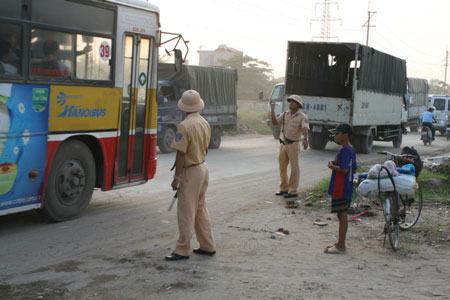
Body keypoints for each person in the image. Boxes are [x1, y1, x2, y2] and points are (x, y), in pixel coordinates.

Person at [165, 90, 216, 261]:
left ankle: (182, 249)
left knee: (186, 211)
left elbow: (180, 154)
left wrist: (177, 178)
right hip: (203, 167)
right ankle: (207, 245)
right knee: (200, 208)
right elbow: (206, 148)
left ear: (183, 107)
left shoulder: (184, 126)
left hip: (191, 171)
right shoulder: (204, 123)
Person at [325, 123, 357, 254]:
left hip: (342, 187)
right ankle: (340, 242)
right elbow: (352, 167)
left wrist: (332, 166)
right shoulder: (348, 149)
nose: (335, 136)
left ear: (345, 135)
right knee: (340, 213)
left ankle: (341, 245)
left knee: (342, 214)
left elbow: (344, 169)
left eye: (338, 134)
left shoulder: (346, 150)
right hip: (343, 186)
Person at [270, 95, 309, 199]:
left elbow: (305, 128)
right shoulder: (284, 114)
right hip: (283, 143)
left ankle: (292, 190)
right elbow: (275, 122)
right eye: (290, 101)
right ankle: (283, 188)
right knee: (282, 167)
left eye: (293, 102)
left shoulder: (302, 117)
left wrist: (305, 139)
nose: (290, 103)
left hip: (294, 144)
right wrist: (272, 110)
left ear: (298, 105)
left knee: (294, 167)